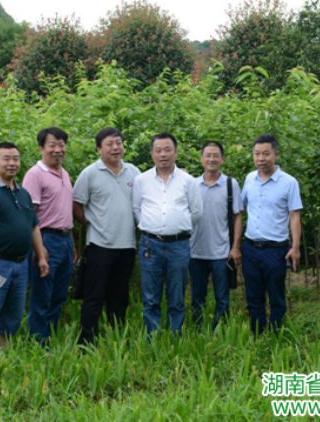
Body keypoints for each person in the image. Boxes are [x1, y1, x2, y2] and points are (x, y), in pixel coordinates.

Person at [0, 142, 49, 348]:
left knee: (13, 314)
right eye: (6, 159)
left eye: (15, 159)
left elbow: (33, 227)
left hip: (21, 266)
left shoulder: (23, 194)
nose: (12, 163)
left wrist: (41, 256)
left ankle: (3, 355)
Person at [73, 128, 141, 344]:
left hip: (127, 245)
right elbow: (76, 204)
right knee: (94, 295)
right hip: (99, 245)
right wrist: (91, 223)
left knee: (120, 296)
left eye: (118, 143)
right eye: (109, 144)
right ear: (98, 149)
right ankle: (86, 341)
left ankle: (116, 338)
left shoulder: (134, 172)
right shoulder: (89, 173)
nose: (115, 148)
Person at [132, 132, 203, 335]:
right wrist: (154, 227)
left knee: (177, 294)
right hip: (150, 244)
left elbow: (197, 212)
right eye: (158, 150)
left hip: (178, 245)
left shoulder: (188, 181)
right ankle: (152, 336)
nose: (163, 154)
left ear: (176, 152)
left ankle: (175, 335)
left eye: (167, 150)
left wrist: (175, 226)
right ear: (152, 154)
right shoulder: (141, 180)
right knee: (150, 295)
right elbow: (137, 209)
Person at [241, 134, 303, 334]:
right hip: (251, 247)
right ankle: (257, 334)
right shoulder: (249, 179)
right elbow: (241, 208)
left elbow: (294, 215)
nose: (261, 158)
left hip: (276, 249)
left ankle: (276, 334)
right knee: (253, 295)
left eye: (266, 154)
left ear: (276, 155)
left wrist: (295, 247)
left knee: (276, 295)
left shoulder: (289, 182)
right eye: (257, 154)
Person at [23, 127, 74, 343]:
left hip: (66, 239)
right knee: (42, 294)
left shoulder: (65, 173)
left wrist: (72, 246)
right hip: (46, 239)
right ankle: (38, 341)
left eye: (61, 145)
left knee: (59, 293)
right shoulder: (35, 175)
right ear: (41, 148)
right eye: (52, 145)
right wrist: (39, 248)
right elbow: (29, 216)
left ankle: (50, 337)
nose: (57, 150)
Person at [189, 141, 243, 330]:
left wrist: (235, 247)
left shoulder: (230, 184)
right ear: (201, 159)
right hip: (195, 251)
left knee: (222, 296)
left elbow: (237, 216)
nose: (211, 159)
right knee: (197, 295)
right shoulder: (192, 184)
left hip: (222, 252)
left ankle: (219, 330)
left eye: (215, 155)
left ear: (222, 159)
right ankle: (197, 330)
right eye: (208, 155)